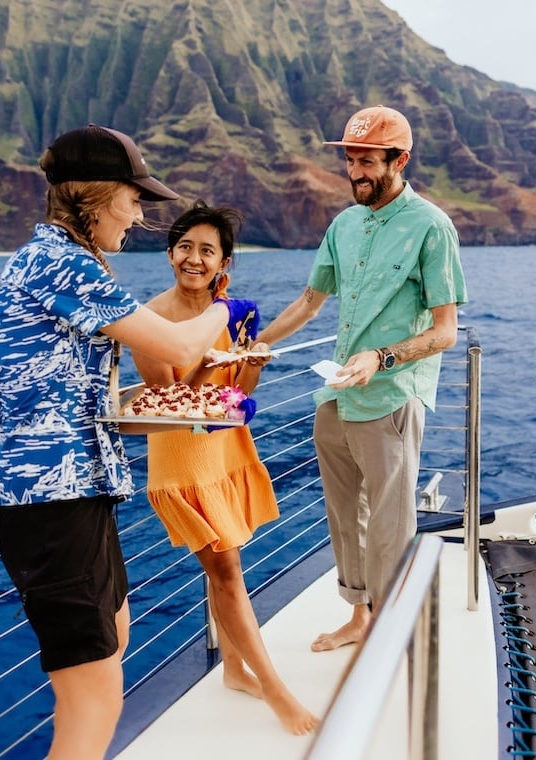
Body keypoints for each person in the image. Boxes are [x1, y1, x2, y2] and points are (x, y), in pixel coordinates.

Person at [0, 125, 259, 760]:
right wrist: (227, 307)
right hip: (54, 507)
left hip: (77, 496)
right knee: (95, 697)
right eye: (133, 200)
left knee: (114, 636)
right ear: (98, 196)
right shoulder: (62, 262)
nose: (139, 216)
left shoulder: (60, 261)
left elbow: (95, 404)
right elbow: (179, 345)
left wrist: (192, 411)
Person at [257, 105, 468, 652]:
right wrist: (259, 346)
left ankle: (393, 630)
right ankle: (360, 617)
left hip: (393, 396)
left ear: (400, 160)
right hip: (338, 393)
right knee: (344, 514)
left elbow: (446, 331)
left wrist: (382, 357)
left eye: (367, 161)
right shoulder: (343, 224)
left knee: (390, 524)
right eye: (350, 160)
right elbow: (309, 301)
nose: (356, 173)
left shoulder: (432, 226)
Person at [131, 200, 318, 735]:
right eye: (185, 247)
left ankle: (234, 669)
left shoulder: (232, 313)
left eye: (206, 250)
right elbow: (170, 401)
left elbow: (236, 398)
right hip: (182, 457)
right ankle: (277, 692)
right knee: (228, 571)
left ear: (222, 266)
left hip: (224, 447)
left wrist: (247, 365)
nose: (194, 258)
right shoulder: (152, 318)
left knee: (222, 564)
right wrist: (207, 368)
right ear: (169, 254)